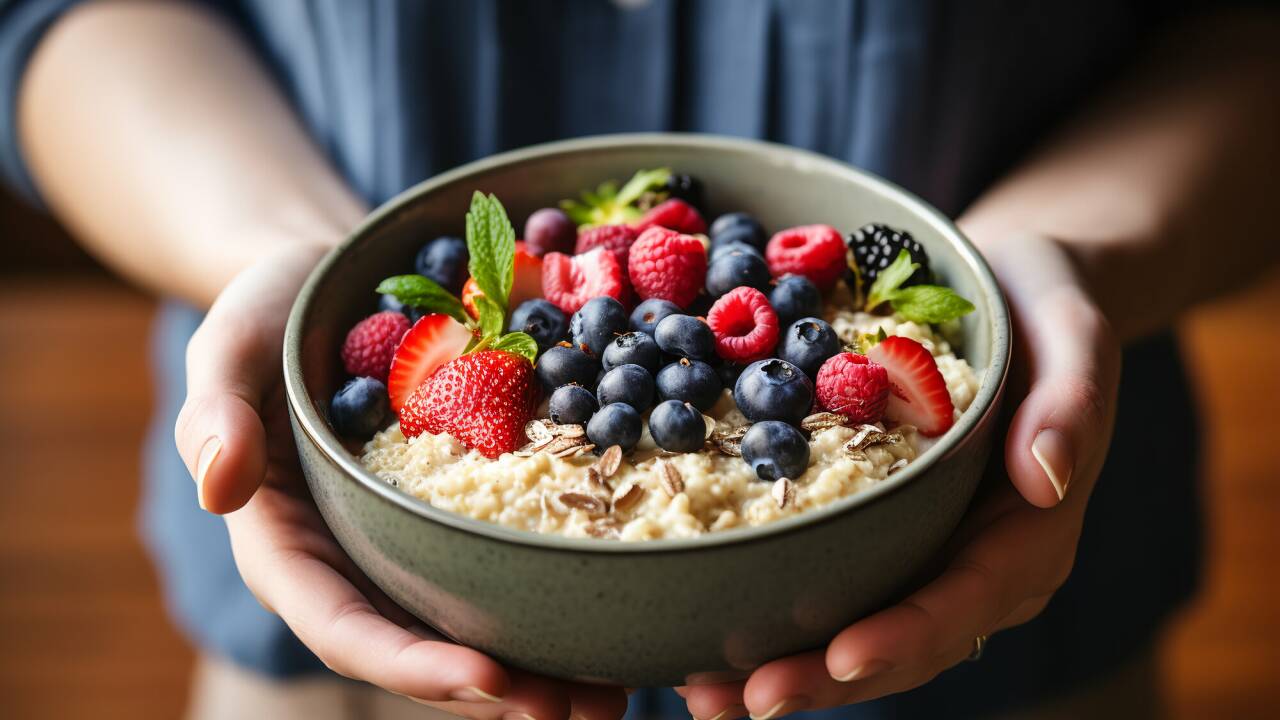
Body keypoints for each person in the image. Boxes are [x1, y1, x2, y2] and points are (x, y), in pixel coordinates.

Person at [4, 1, 1277, 718]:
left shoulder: (799, 330)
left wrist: (1058, 254)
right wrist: (286, 254)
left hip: (993, 620)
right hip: (359, 607)